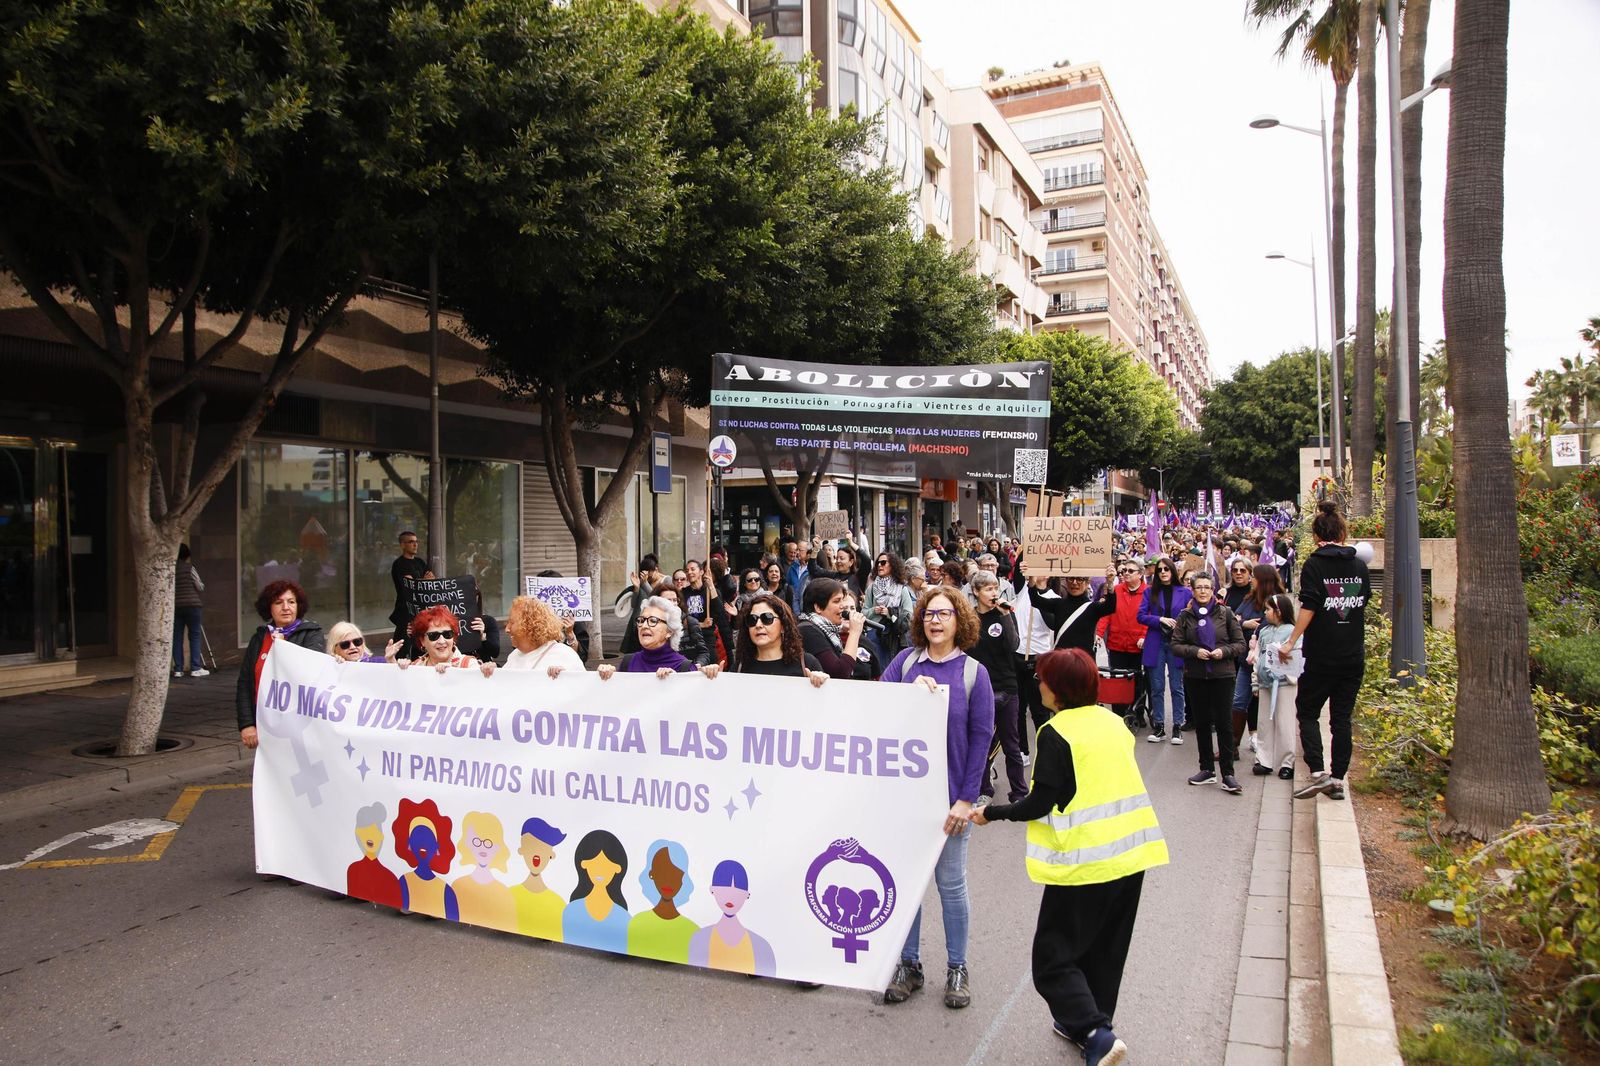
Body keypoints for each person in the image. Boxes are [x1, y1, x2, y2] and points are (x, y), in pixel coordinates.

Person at [969, 648, 1167, 1066]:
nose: (1037, 684)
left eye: (1042, 679)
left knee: (1053, 959)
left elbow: (1040, 802)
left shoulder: (1057, 732)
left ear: (1057, 689)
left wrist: (991, 812)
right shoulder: (1114, 724)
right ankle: (1091, 1024)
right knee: (1106, 949)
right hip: (1133, 853)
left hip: (1086, 861)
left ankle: (1094, 1034)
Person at [880, 589, 995, 1010]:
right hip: (905, 801)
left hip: (950, 802)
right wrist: (911, 692)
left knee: (951, 887)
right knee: (908, 886)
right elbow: (874, 704)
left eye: (944, 614)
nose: (936, 621)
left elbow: (981, 739)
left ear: (959, 620)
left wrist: (966, 799)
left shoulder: (973, 673)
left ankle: (957, 967)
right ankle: (909, 965)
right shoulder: (906, 664)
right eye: (929, 614)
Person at [1283, 501, 1370, 802]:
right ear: (1342, 533)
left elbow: (1309, 606)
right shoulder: (1359, 565)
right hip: (1353, 655)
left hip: (1321, 656)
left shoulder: (1315, 565)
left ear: (1317, 534)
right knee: (1341, 719)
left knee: (1307, 711)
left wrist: (1291, 640)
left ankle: (1318, 772)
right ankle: (1337, 781)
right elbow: (1363, 600)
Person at [1171, 575, 1248, 795]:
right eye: (1199, 588)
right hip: (1195, 675)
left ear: (1213, 590)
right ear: (1193, 591)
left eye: (1207, 587)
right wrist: (1195, 651)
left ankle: (1228, 773)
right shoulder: (1185, 616)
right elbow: (1176, 645)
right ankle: (1206, 769)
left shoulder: (1225, 613)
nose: (1203, 591)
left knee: (1224, 724)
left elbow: (1240, 643)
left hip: (1222, 674)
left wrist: (1223, 651)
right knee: (1202, 723)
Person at [236, 580, 324, 750]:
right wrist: (246, 724)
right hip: (266, 726)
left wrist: (284, 648)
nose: (286, 607)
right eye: (278, 602)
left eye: (291, 602)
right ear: (269, 607)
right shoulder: (260, 637)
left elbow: (311, 670)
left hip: (302, 726)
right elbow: (245, 683)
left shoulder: (312, 634)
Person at [970, 571, 1026, 804]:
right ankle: (984, 789)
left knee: (1011, 744)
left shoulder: (1004, 614)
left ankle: (1019, 792)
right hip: (980, 688)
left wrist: (1004, 617)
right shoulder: (969, 618)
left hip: (1006, 686)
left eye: (996, 588)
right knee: (981, 742)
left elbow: (1014, 644)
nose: (994, 593)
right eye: (988, 589)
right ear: (976, 592)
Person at [1136, 557, 1191, 744]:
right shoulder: (1150, 592)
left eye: (1166, 569)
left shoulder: (1185, 592)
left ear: (1173, 571)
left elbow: (1192, 615)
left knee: (1177, 686)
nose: (1163, 572)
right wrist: (1159, 619)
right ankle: (1159, 725)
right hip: (1156, 641)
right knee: (1157, 686)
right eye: (1159, 570)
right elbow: (1141, 616)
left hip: (1176, 642)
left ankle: (1177, 726)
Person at [717, 593, 827, 685]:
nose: (758, 625)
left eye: (767, 618)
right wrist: (713, 680)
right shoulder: (740, 667)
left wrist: (820, 683)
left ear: (783, 626)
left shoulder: (807, 663)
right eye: (752, 619)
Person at [1251, 594, 1302, 779]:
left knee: (1285, 723)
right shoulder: (1264, 631)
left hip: (1284, 684)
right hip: (1265, 683)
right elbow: (1257, 656)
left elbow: (1298, 657)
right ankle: (1264, 760)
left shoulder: (1292, 631)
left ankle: (1286, 762)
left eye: (1268, 609)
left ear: (1279, 611)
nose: (1265, 613)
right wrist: (1255, 681)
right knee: (1264, 722)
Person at [628, 839, 700, 964]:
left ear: (683, 878)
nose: (668, 880)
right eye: (662, 871)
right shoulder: (636, 922)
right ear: (652, 874)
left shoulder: (693, 932)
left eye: (675, 873)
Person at [1096, 560, 1149, 724]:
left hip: (1137, 645)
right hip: (1117, 643)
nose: (1126, 573)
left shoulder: (1148, 593)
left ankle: (1137, 713)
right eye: (1124, 570)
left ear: (1140, 574)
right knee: (1117, 680)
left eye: (1130, 571)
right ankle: (1118, 715)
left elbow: (1150, 617)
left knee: (1137, 682)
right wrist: (1098, 633)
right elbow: (1106, 614)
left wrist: (1144, 636)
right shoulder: (1116, 591)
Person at [562, 829, 631, 953]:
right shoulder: (571, 911)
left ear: (617, 868)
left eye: (606, 865)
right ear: (584, 864)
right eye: (594, 863)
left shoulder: (623, 918)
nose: (600, 870)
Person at [597, 597, 700, 679]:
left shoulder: (685, 667)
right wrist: (608, 678)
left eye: (653, 621)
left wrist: (675, 681)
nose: (644, 626)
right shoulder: (628, 662)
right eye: (641, 620)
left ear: (669, 631)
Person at [452, 811, 516, 933]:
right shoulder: (457, 885)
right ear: (466, 843)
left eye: (488, 843)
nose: (482, 847)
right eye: (476, 841)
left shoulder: (505, 893)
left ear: (498, 846)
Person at [797, 577, 868, 681]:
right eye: (837, 601)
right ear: (818, 607)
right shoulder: (808, 631)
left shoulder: (827, 630)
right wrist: (854, 633)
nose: (843, 606)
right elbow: (840, 672)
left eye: (842, 600)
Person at [510, 817, 567, 942]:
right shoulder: (509, 895)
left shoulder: (559, 903)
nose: (536, 855)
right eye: (531, 846)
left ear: (551, 855)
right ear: (521, 850)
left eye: (543, 848)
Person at [501, 595, 586, 677]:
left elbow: (581, 687)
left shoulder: (564, 655)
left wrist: (564, 677)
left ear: (530, 626)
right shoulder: (514, 655)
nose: (507, 629)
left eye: (512, 623)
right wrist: (492, 673)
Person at [396, 607, 495, 676]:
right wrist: (397, 668)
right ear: (422, 641)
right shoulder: (415, 666)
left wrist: (489, 673)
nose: (442, 641)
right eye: (433, 636)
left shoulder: (469, 665)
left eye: (447, 634)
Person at [863, 551, 914, 659]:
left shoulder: (902, 589)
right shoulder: (871, 589)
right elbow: (863, 613)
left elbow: (909, 615)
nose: (879, 566)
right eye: (878, 563)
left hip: (894, 635)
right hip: (874, 634)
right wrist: (873, 611)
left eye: (883, 562)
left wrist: (890, 613)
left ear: (892, 565)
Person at [388, 531, 431, 652]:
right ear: (402, 545)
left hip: (421, 607)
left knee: (419, 640)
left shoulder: (420, 562)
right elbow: (410, 585)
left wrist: (421, 581)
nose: (415, 544)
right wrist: (423, 580)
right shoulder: (399, 564)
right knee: (403, 641)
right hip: (405, 608)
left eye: (416, 541)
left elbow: (432, 579)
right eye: (411, 542)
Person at [653, 583, 714, 667]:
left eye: (675, 600)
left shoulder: (690, 622)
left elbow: (703, 653)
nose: (672, 603)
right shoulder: (650, 624)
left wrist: (697, 665)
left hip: (685, 673)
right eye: (668, 600)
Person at [172, 543, 208, 677]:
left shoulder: (171, 569)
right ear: (187, 555)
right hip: (193, 606)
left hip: (176, 606)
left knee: (177, 637)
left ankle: (178, 669)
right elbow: (199, 586)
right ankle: (195, 667)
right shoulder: (189, 568)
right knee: (194, 636)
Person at [618, 554, 663, 655]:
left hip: (655, 623)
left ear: (656, 569)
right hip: (639, 623)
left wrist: (645, 584)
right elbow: (634, 604)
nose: (649, 578)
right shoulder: (643, 583)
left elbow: (656, 600)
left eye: (650, 575)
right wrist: (637, 588)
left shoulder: (665, 581)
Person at [325, 621, 401, 663]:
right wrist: (336, 666)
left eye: (357, 641)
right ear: (334, 649)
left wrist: (391, 661)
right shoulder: (329, 669)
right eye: (345, 644)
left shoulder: (379, 662)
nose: (353, 647)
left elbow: (397, 681)